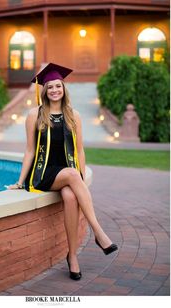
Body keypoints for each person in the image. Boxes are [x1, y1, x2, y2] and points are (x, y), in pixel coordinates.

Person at [8, 63, 118, 280]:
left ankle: (72, 256)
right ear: (45, 91)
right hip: (43, 173)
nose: (55, 90)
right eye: (50, 87)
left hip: (66, 173)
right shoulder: (35, 114)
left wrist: (81, 177)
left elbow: (80, 149)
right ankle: (98, 232)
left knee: (70, 195)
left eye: (58, 86)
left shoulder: (73, 115)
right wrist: (21, 181)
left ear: (64, 89)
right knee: (71, 174)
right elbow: (30, 150)